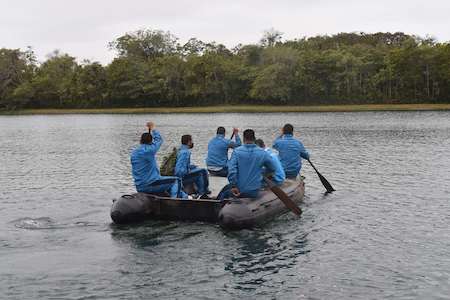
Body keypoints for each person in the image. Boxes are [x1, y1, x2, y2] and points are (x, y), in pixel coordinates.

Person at [130, 122, 187, 199]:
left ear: (141, 141)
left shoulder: (134, 152)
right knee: (176, 181)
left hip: (139, 186)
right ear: (150, 142)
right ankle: (175, 201)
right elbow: (159, 140)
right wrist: (153, 128)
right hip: (150, 184)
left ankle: (185, 197)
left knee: (164, 180)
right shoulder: (149, 150)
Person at [220, 129, 277, 199]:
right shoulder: (262, 153)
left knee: (224, 192)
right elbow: (273, 168)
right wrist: (263, 174)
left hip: (239, 190)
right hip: (255, 191)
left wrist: (233, 186)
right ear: (254, 139)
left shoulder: (236, 152)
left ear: (244, 139)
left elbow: (232, 170)